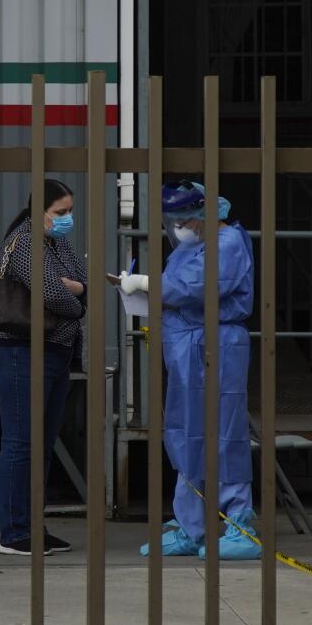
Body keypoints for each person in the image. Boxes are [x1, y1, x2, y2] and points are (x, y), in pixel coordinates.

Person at [126, 181, 260, 560]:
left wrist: (144, 283)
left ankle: (239, 523)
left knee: (224, 430)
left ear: (205, 212)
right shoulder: (191, 245)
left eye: (184, 217)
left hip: (216, 344)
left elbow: (193, 287)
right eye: (174, 218)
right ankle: (191, 525)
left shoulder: (228, 243)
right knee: (186, 433)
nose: (179, 225)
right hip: (186, 345)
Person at [0, 179, 87, 556]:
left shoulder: (55, 241)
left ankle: (33, 525)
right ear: (39, 211)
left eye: (69, 211)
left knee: (42, 444)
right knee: (20, 442)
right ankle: (14, 532)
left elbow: (83, 281)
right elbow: (53, 293)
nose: (67, 219)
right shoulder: (27, 241)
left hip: (55, 352)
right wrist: (76, 296)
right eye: (60, 212)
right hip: (21, 351)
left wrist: (74, 288)